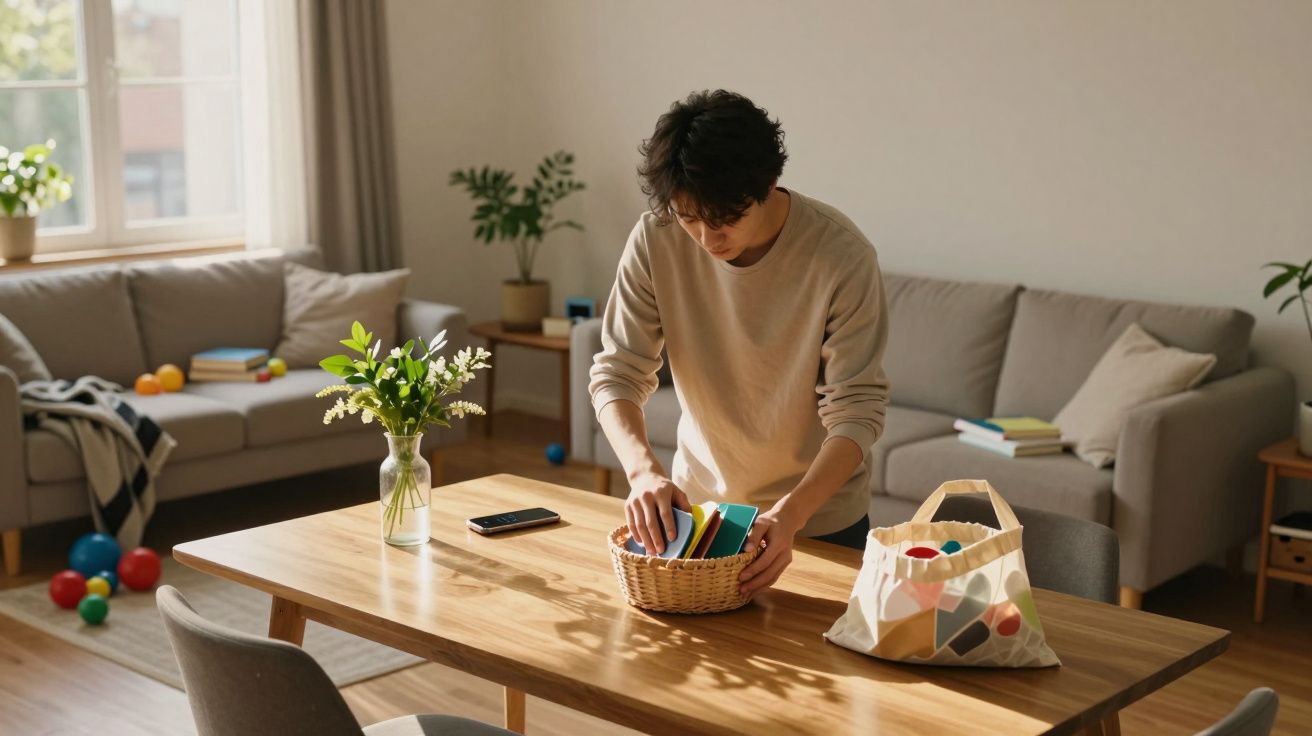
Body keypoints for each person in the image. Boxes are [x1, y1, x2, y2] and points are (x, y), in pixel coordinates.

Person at [589, 89, 889, 598]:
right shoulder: (655, 238)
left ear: (768, 185)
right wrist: (643, 473)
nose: (707, 239)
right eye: (689, 218)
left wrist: (789, 515)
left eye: (725, 218)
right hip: (702, 517)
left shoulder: (841, 255)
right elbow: (617, 372)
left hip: (819, 521)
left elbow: (857, 411)